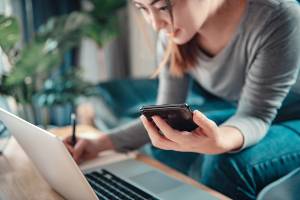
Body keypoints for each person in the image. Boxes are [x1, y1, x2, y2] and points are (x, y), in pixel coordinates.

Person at [64, 0, 300, 199]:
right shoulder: (173, 36)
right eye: (143, 8)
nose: (156, 24)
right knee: (166, 146)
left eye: (163, 7)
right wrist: (99, 144)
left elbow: (256, 114)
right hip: (250, 109)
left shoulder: (278, 17)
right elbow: (162, 117)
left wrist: (220, 142)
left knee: (224, 166)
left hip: (294, 115)